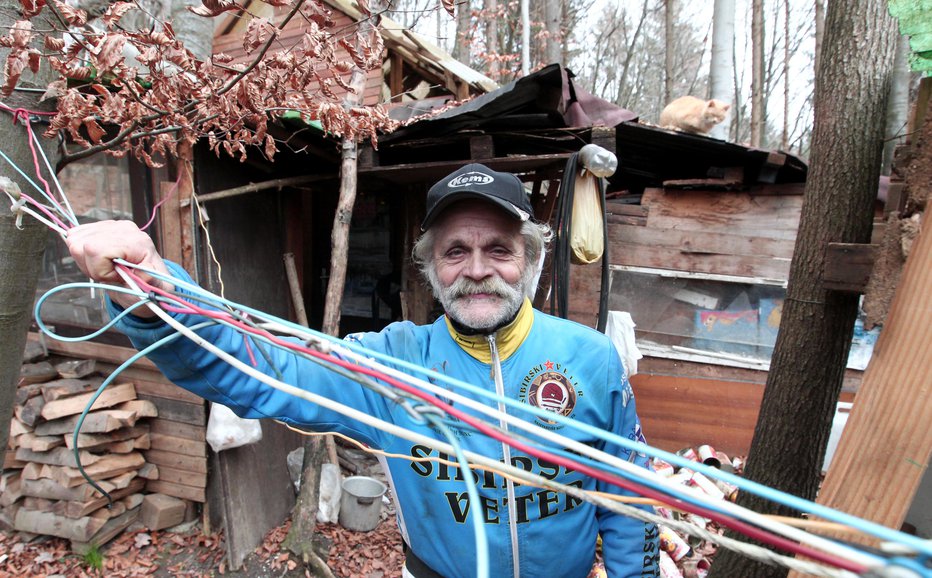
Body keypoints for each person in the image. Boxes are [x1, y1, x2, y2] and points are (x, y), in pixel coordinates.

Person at [66, 163, 660, 578]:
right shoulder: (391, 363)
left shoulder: (591, 358)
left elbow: (631, 503)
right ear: (431, 268)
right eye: (455, 251)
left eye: (498, 249)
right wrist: (154, 293)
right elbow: (256, 367)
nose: (477, 270)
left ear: (528, 258)